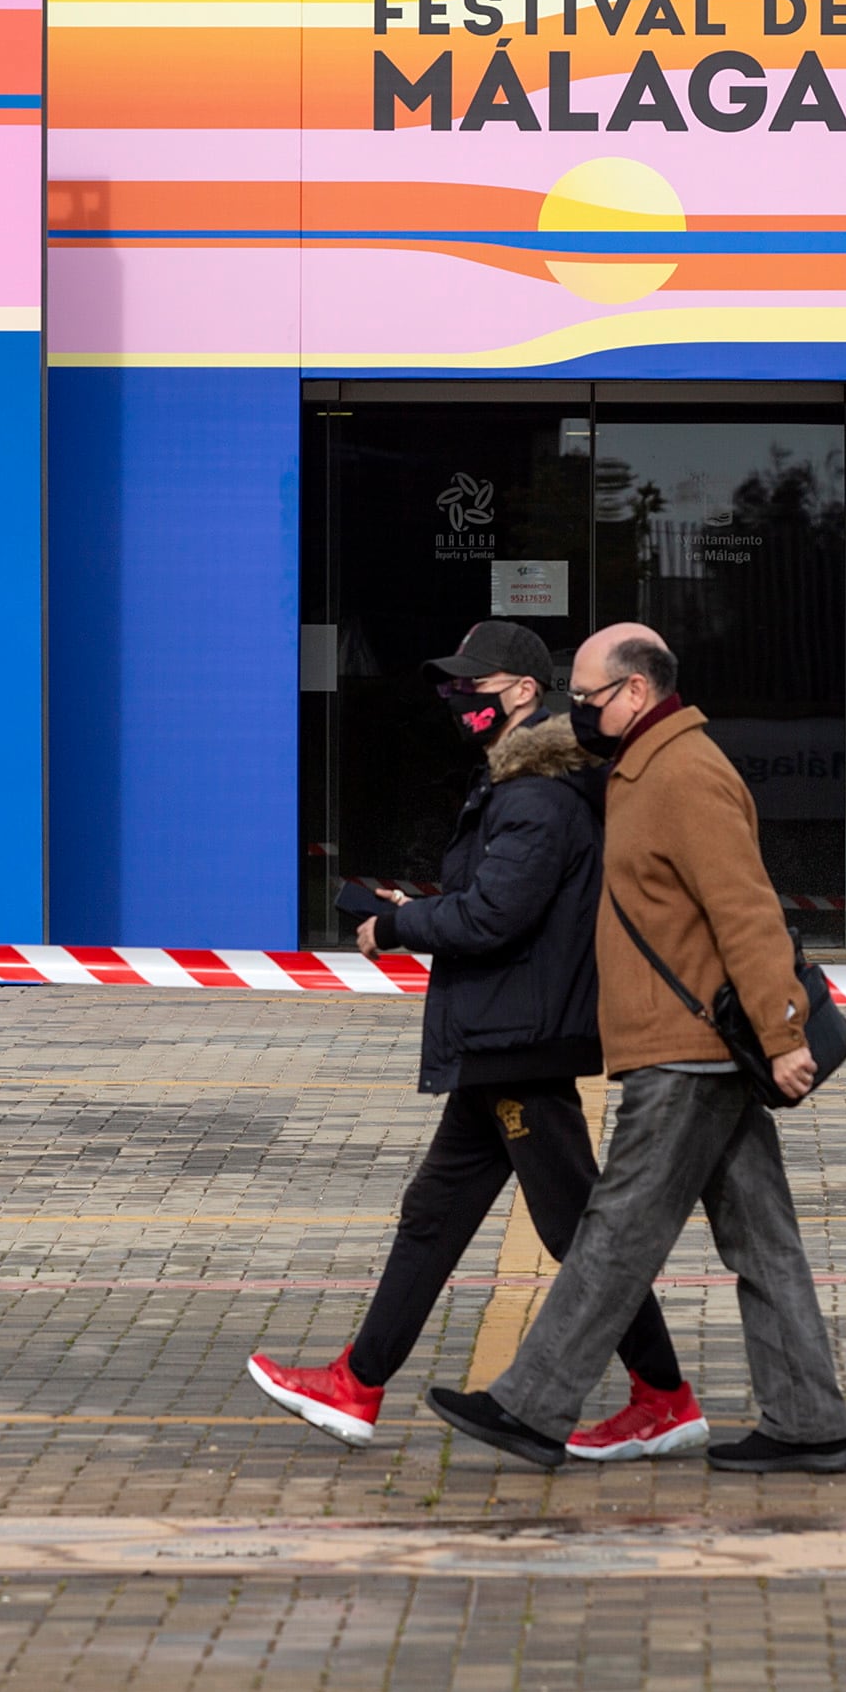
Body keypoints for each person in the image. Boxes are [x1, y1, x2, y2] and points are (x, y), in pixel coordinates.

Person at [243, 618, 708, 1460]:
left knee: (576, 1229)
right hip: (501, 1032)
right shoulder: (522, 780)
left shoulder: (532, 791)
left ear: (525, 691)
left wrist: (396, 924)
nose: (459, 704)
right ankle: (357, 1383)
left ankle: (664, 1396)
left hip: (518, 1035)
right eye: (452, 690)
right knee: (434, 1213)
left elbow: (496, 914)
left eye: (474, 689)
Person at [425, 622, 846, 1476]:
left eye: (586, 698)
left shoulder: (684, 774)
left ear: (633, 692)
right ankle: (810, 1423)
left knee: (615, 1234)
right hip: (689, 1045)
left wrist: (780, 1035)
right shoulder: (640, 768)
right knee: (762, 1242)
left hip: (688, 1049)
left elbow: (746, 909)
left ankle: (529, 1406)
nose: (576, 712)